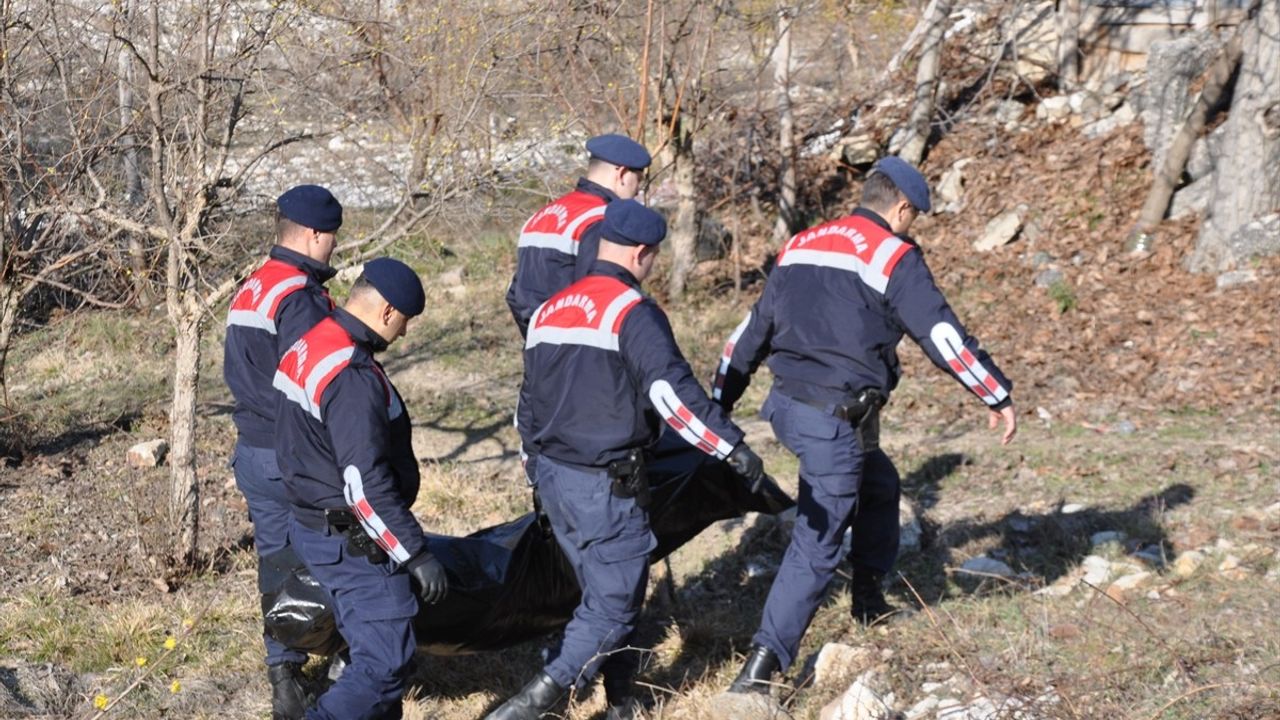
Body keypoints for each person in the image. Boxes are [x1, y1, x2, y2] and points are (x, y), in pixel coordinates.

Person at [712, 156, 1017, 694]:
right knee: (818, 540)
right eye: (913, 216)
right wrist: (995, 393)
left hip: (788, 407)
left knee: (878, 482)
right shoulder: (892, 256)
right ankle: (759, 672)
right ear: (902, 207)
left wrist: (721, 399)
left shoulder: (803, 242)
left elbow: (750, 333)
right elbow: (942, 336)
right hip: (830, 419)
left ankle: (868, 599)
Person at [487, 200, 767, 720]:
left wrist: (534, 469)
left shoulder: (551, 310)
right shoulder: (631, 313)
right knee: (612, 605)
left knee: (613, 588)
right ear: (642, 253)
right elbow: (672, 395)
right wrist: (730, 447)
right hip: (603, 487)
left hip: (554, 481)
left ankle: (621, 702)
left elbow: (527, 403)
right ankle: (529, 705)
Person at [273, 258, 449, 720]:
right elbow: (363, 484)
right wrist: (415, 553)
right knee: (386, 659)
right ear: (388, 311)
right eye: (406, 322)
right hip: (351, 541)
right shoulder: (352, 376)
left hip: (312, 524)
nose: (405, 334)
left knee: (367, 647)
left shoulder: (311, 343)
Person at [223, 184, 342, 719]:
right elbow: (315, 379)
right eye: (333, 238)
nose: (335, 248)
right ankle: (353, 657)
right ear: (316, 235)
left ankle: (284, 676)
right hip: (294, 454)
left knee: (276, 563)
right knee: (340, 553)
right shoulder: (300, 296)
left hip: (251, 450)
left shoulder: (252, 287)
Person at [505, 133, 652, 337]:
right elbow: (603, 293)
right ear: (622, 173)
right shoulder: (603, 220)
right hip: (581, 352)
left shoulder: (540, 216)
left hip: (539, 352)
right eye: (639, 180)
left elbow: (515, 294)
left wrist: (537, 343)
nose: (638, 190)